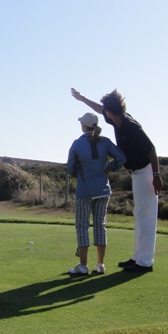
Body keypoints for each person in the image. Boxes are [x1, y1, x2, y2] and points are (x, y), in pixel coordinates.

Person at [71, 88, 163, 273]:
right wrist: (82, 99)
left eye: (106, 109)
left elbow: (151, 149)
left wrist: (156, 175)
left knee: (146, 217)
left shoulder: (131, 126)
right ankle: (138, 257)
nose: (103, 112)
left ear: (110, 111)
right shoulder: (116, 120)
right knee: (139, 214)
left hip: (146, 172)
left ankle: (145, 262)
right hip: (136, 172)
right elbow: (99, 109)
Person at [67, 112, 126, 277]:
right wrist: (109, 167)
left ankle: (83, 266)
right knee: (100, 226)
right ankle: (100, 265)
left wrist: (80, 175)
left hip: (85, 191)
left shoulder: (77, 144)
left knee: (82, 226)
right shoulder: (105, 141)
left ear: (84, 125)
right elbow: (121, 158)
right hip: (102, 190)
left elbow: (70, 168)